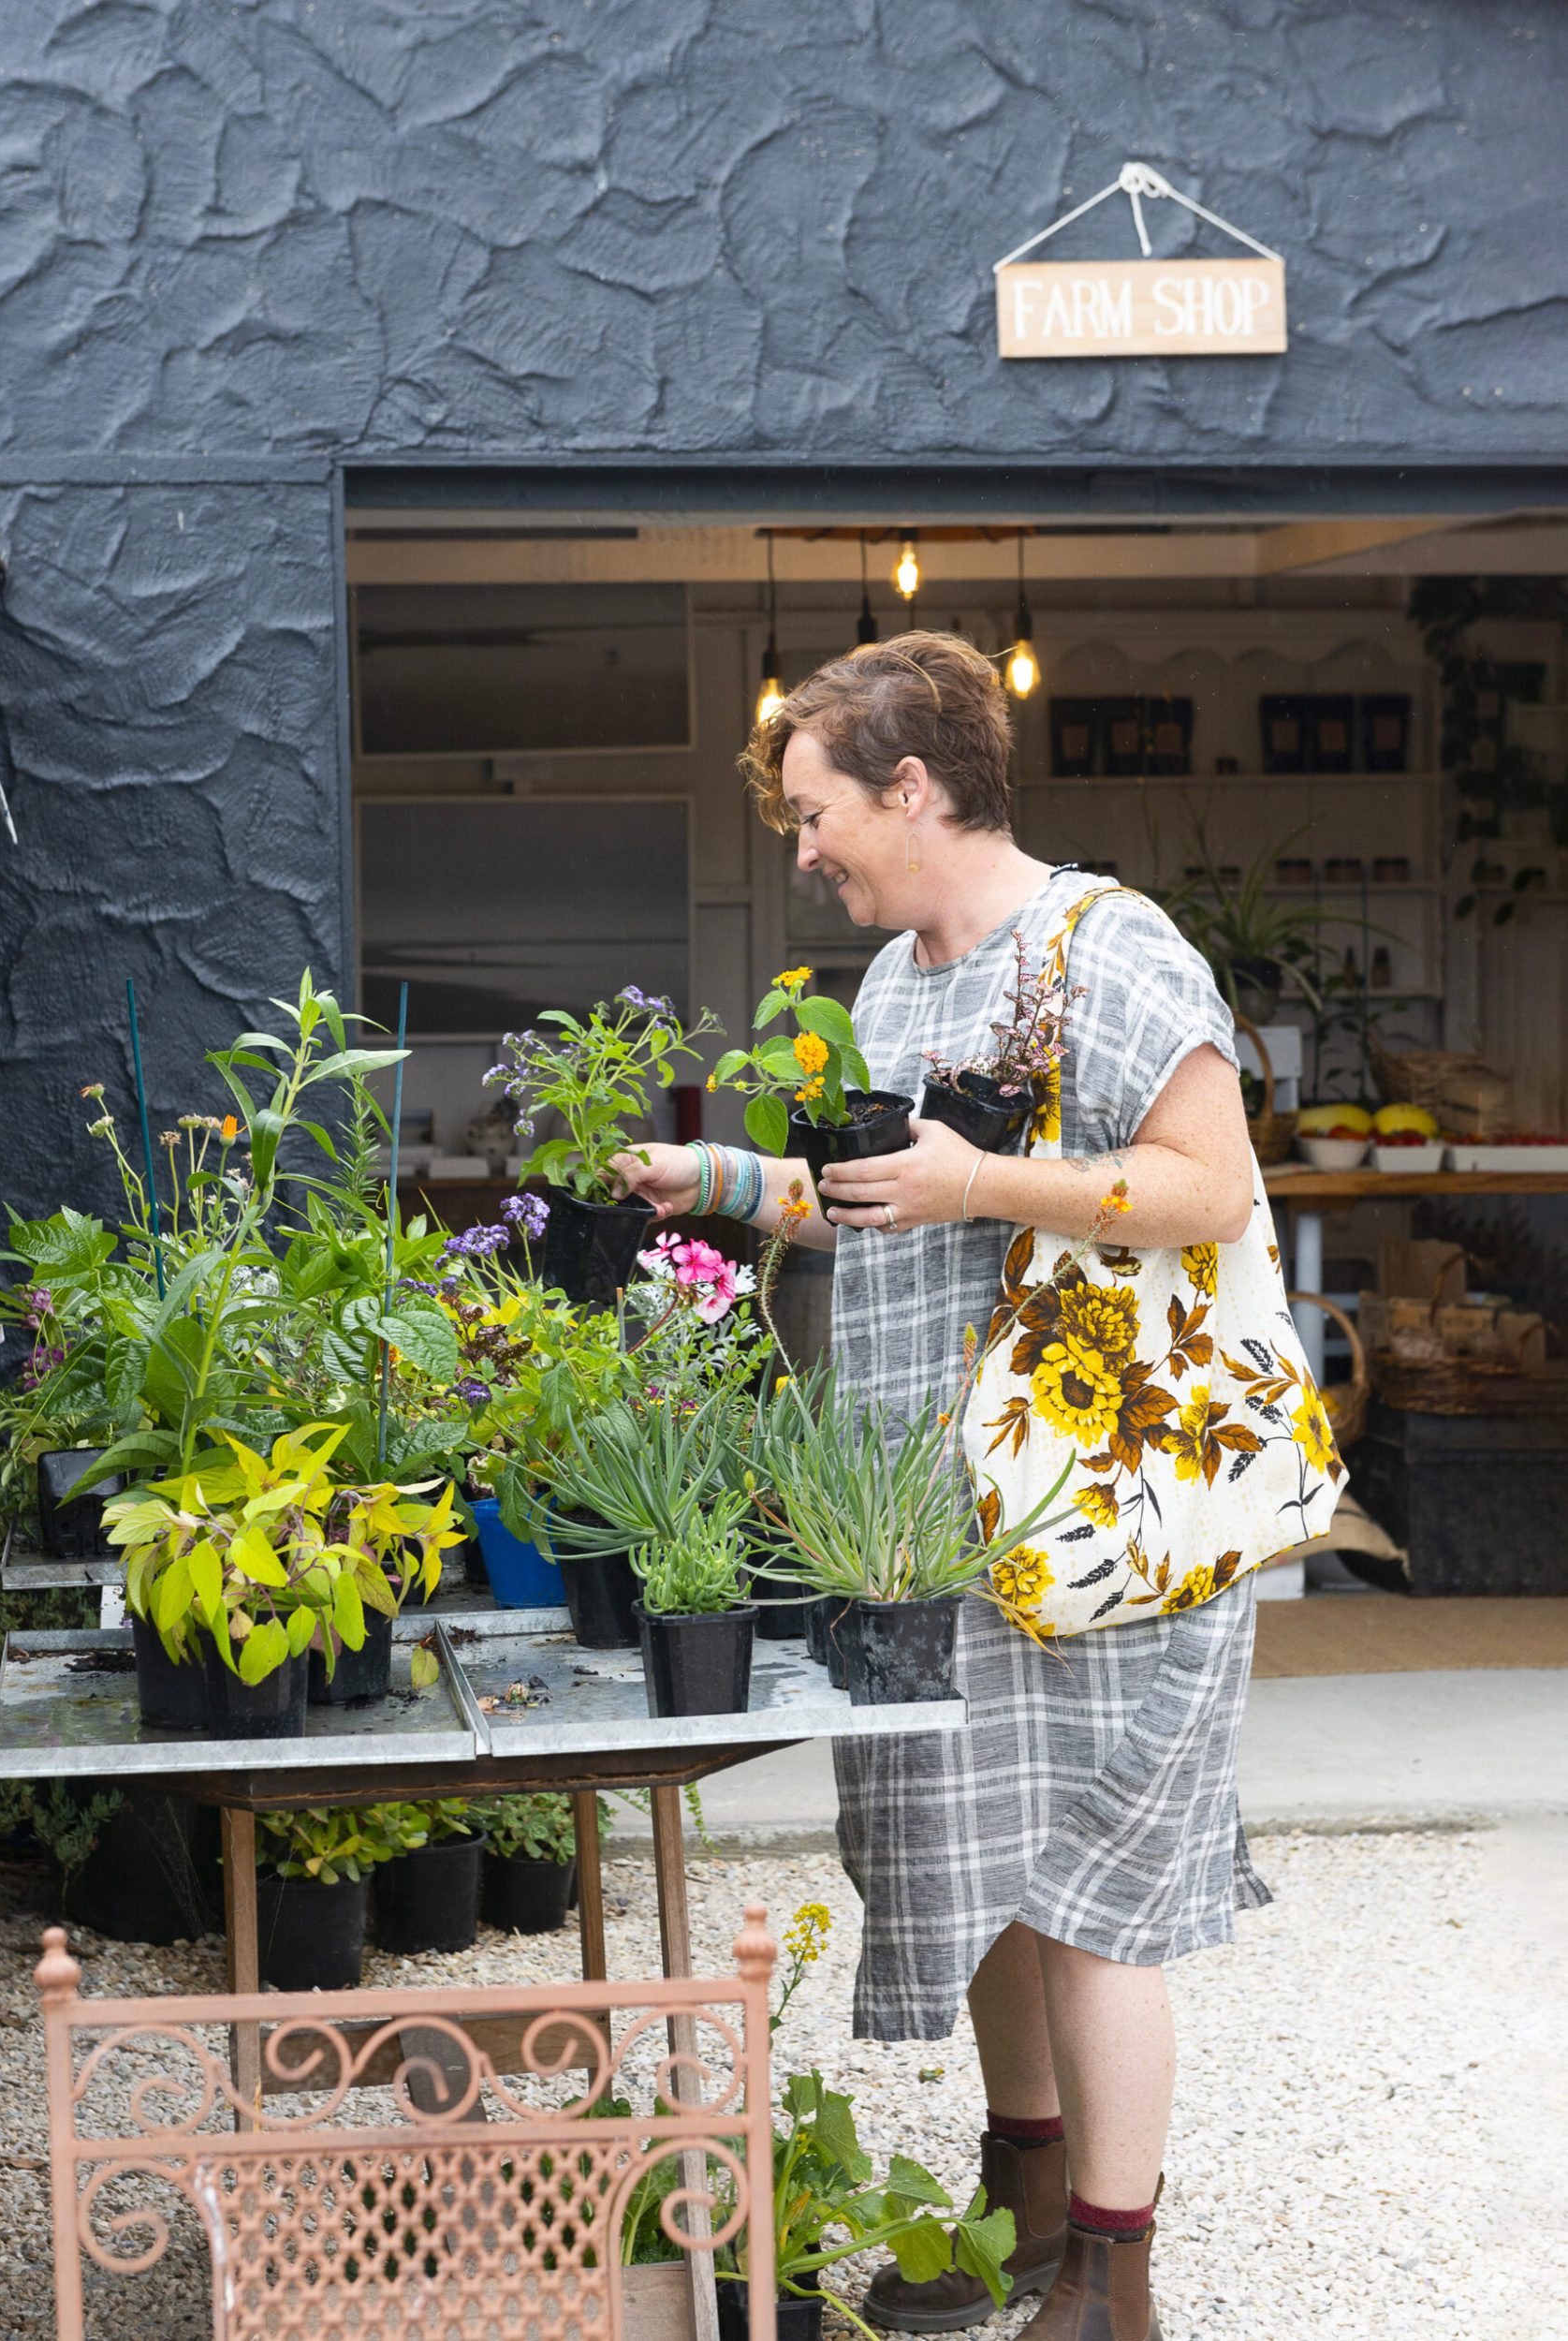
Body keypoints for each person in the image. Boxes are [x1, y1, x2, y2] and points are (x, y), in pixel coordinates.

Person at [614, 631, 1268, 2341]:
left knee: (1097, 1898)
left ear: (912, 787)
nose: (801, 846)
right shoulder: (897, 985)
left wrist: (990, 1176)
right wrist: (727, 1174)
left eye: (816, 810)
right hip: (930, 1528)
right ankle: (1025, 2199)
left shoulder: (1110, 950)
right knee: (983, 1870)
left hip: (1105, 1517)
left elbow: (1209, 1191)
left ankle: (1117, 2274)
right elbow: (883, 1199)